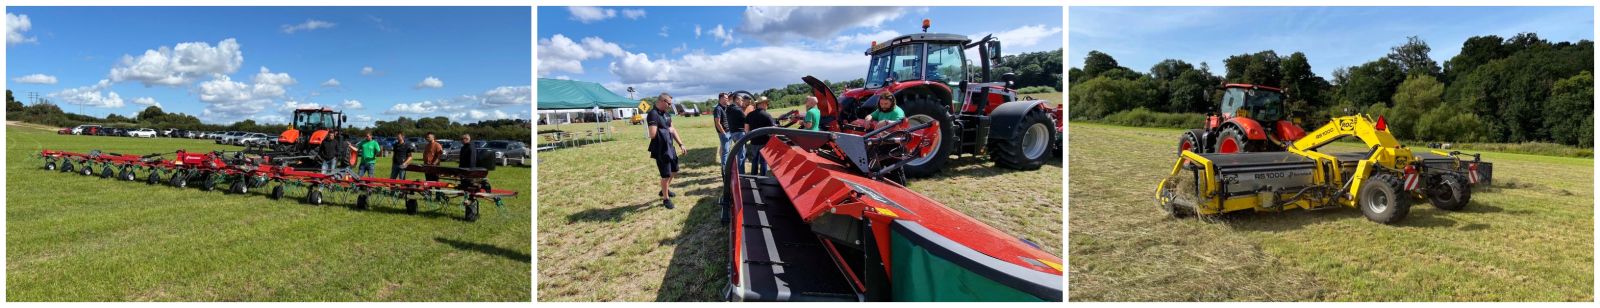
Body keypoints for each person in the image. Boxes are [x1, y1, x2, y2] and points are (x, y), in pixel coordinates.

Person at [647, 92, 687, 209]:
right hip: (660, 149)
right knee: (665, 175)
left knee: (674, 170)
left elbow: (673, 130)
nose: (670, 105)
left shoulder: (667, 114)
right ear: (662, 101)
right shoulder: (653, 114)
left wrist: (681, 144)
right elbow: (652, 134)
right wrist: (666, 129)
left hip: (670, 147)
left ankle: (664, 189)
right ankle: (665, 199)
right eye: (669, 103)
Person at [744, 96, 775, 176]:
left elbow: (746, 129)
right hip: (765, 142)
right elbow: (773, 131)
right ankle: (762, 177)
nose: (767, 105)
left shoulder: (749, 115)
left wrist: (751, 137)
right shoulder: (767, 115)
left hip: (754, 142)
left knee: (754, 159)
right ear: (762, 104)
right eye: (766, 103)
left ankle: (753, 175)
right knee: (763, 161)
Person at [725, 91, 749, 170]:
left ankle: (738, 171)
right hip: (739, 133)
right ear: (737, 100)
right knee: (741, 155)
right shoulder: (738, 110)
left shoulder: (728, 109)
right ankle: (741, 174)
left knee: (739, 153)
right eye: (741, 100)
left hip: (733, 133)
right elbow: (746, 120)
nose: (742, 102)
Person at [712, 92, 730, 164]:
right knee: (725, 151)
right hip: (724, 133)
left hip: (728, 131)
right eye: (726, 98)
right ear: (721, 99)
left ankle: (727, 165)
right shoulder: (718, 109)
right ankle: (725, 169)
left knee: (727, 150)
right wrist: (724, 133)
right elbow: (717, 123)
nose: (727, 100)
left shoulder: (725, 108)